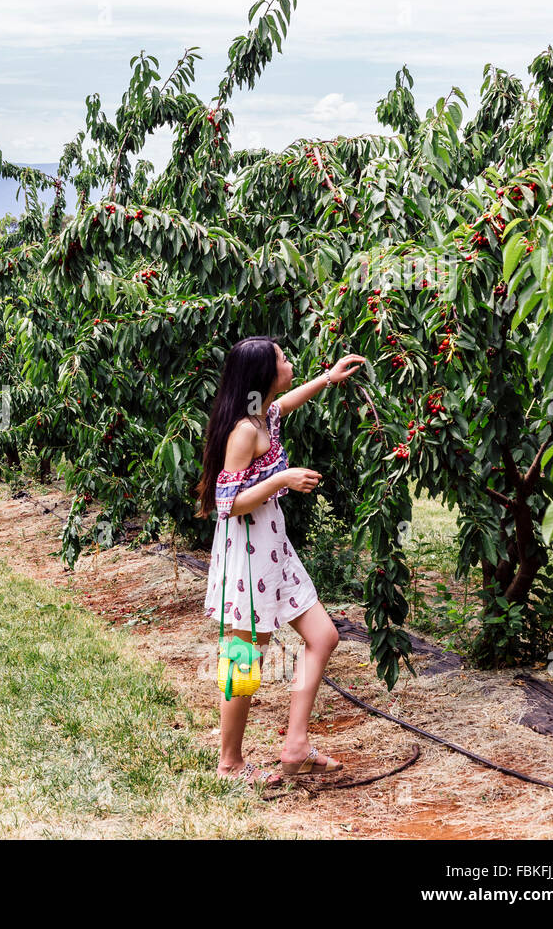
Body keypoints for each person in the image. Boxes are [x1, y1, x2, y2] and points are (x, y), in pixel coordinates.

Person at [194, 337, 366, 787]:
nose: (288, 364)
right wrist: (281, 479)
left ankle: (295, 747)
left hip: (273, 545)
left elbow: (286, 403)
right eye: (282, 361)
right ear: (263, 376)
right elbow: (226, 502)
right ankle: (229, 764)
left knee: (323, 636)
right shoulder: (244, 431)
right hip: (247, 553)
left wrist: (328, 379)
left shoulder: (263, 413)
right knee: (246, 656)